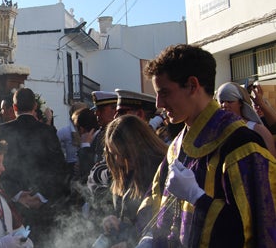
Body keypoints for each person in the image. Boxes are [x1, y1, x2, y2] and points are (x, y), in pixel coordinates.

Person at [139, 44, 276, 247]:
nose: (158, 103)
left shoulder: (240, 143)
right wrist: (150, 236)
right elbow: (156, 200)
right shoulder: (177, 146)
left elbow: (256, 229)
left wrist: (197, 198)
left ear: (193, 85)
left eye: (165, 92)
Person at [0, 87, 70, 244]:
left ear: (14, 107)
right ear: (35, 106)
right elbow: (59, 168)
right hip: (43, 205)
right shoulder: (48, 131)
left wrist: (17, 194)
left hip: (14, 206)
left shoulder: (2, 130)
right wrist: (41, 196)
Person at [92, 115, 167, 248]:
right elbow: (117, 205)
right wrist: (111, 218)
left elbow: (163, 221)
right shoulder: (125, 170)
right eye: (112, 154)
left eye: (120, 154)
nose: (117, 160)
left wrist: (129, 243)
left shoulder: (160, 170)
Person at [215, 81, 276, 157]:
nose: (224, 105)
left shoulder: (258, 130)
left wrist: (261, 104)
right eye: (221, 101)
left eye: (230, 101)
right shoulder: (215, 132)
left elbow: (271, 161)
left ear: (240, 103)